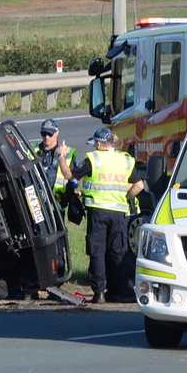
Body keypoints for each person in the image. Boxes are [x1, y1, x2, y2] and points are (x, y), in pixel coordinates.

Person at [58, 128, 145, 304]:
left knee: (97, 252)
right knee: (117, 253)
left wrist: (61, 157)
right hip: (119, 213)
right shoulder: (125, 160)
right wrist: (124, 197)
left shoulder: (94, 159)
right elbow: (139, 186)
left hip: (98, 212)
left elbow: (71, 177)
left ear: (99, 143)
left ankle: (99, 294)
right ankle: (119, 291)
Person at [30, 119, 76, 212]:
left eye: (50, 134)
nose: (46, 137)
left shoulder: (67, 152)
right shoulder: (32, 150)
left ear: (57, 133)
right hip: (35, 203)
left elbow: (71, 177)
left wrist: (61, 157)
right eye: (44, 134)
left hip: (56, 204)